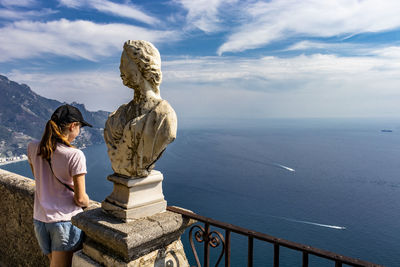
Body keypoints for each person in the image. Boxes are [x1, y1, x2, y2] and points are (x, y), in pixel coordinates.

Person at [27, 104, 91, 267]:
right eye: (80, 127)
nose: (79, 132)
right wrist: (87, 202)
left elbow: (38, 177)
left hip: (40, 220)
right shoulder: (75, 155)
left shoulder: (32, 147)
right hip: (63, 222)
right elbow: (80, 199)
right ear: (72, 126)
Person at [104, 40, 177, 177]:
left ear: (143, 66)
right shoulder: (119, 114)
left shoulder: (163, 115)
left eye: (124, 64)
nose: (120, 69)